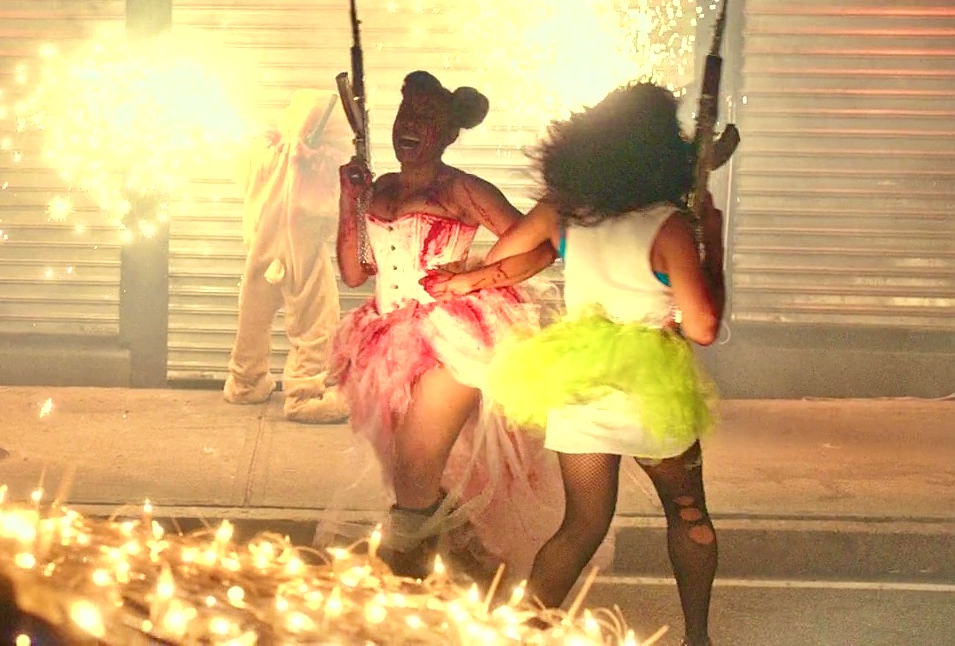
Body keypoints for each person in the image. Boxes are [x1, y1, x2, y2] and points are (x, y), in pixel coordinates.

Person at [422, 82, 724, 646]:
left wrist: (478, 275)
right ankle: (698, 639)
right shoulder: (670, 225)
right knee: (688, 514)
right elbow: (703, 327)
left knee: (581, 526)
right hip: (650, 388)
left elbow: (505, 254)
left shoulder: (564, 211)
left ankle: (520, 635)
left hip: (579, 381)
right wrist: (715, 247)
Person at [329, 70, 562, 580]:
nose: (410, 125)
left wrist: (471, 280)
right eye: (405, 113)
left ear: (450, 134)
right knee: (412, 476)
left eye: (426, 117)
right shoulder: (379, 187)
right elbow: (355, 272)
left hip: (452, 338)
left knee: (414, 469)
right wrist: (350, 199)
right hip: (386, 338)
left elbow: (544, 248)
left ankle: (403, 579)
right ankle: (469, 563)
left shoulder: (462, 189)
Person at [223, 89, 351, 424]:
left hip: (262, 248)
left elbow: (244, 177)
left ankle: (245, 382)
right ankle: (304, 396)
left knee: (253, 317)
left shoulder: (264, 151)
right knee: (315, 322)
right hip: (302, 251)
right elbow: (331, 212)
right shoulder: (321, 163)